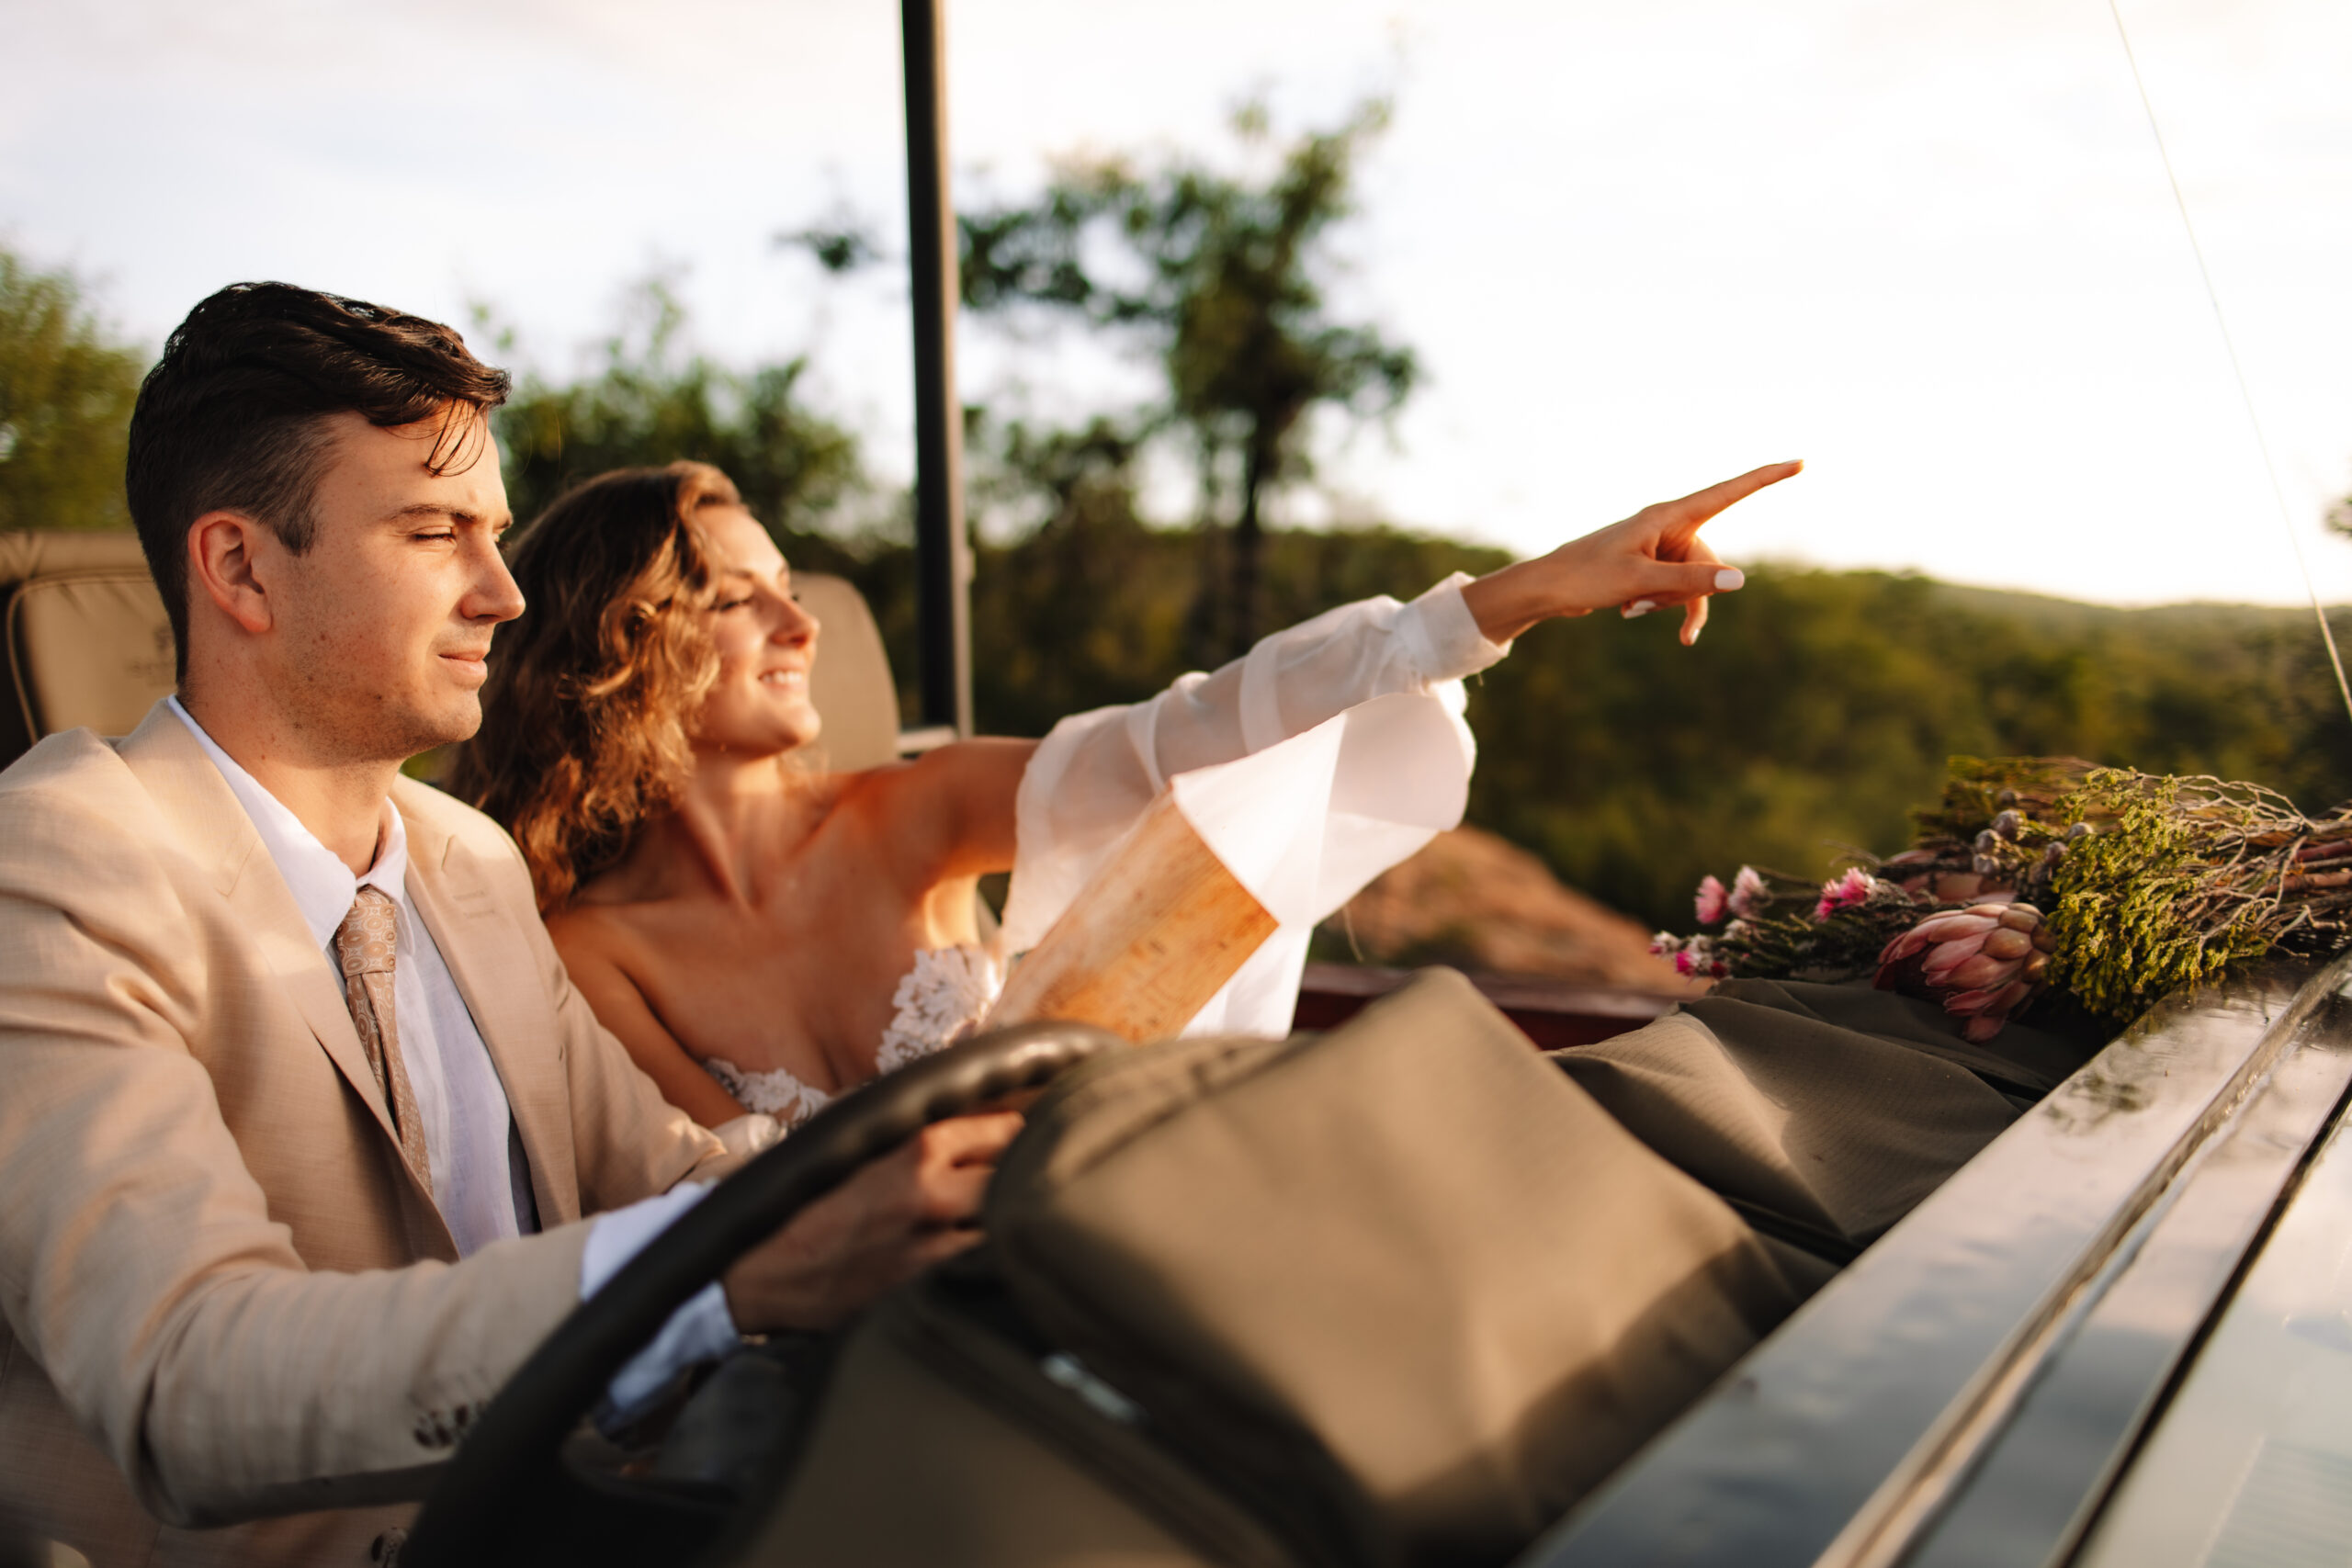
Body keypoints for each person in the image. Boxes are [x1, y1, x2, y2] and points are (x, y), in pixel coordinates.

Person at [0, 284, 1022, 1568]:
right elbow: (184, 1380)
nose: (505, 592)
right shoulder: (55, 859)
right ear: (242, 567)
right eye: (436, 533)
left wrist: (953, 1176)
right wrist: (731, 1277)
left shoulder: (467, 864)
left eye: (492, 533)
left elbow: (668, 1179)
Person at [449, 457, 1801, 1129]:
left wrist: (1506, 602)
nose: (799, 629)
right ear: (619, 648)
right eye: (739, 603)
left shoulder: (906, 815)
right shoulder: (590, 950)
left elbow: (1185, 741)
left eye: (794, 594)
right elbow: (721, 1214)